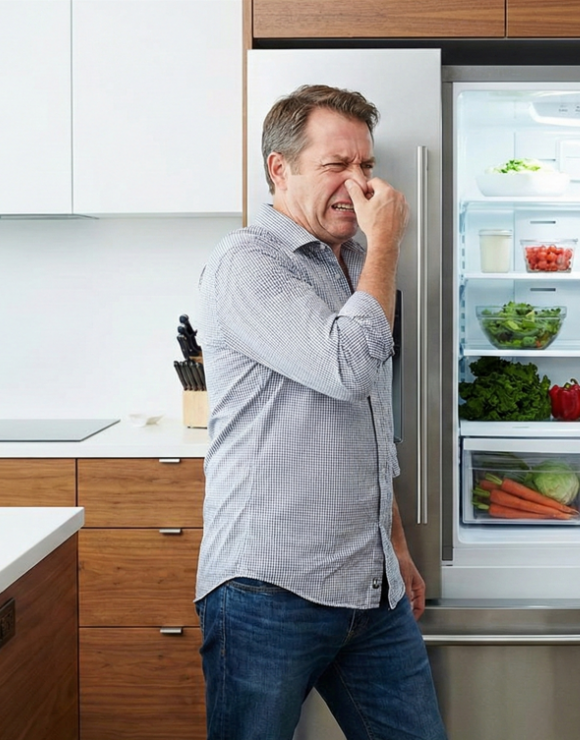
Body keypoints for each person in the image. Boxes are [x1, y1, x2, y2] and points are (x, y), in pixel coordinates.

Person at [194, 84, 448, 740]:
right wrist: (388, 246)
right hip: (268, 588)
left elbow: (369, 421)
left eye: (365, 166)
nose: (358, 183)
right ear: (280, 170)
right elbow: (349, 367)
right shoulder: (246, 263)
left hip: (370, 589)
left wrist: (394, 548)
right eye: (336, 166)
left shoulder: (355, 263)